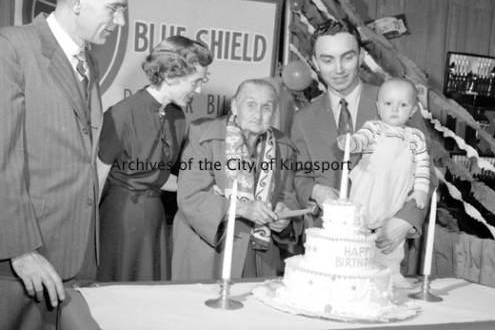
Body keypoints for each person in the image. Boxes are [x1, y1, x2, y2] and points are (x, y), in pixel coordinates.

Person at [0, 0, 128, 330]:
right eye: (114, 8)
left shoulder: (89, 61)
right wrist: (21, 251)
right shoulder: (11, 48)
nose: (120, 21)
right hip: (25, 264)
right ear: (77, 1)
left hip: (75, 259)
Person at [291, 18, 434, 265]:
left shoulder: (396, 101)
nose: (338, 69)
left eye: (347, 57)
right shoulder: (302, 120)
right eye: (327, 60)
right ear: (314, 62)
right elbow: (298, 176)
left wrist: (405, 221)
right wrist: (315, 190)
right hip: (326, 246)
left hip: (386, 241)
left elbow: (426, 171)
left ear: (360, 56)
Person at [96, 36, 213, 282]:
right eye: (195, 81)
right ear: (170, 76)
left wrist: (206, 189)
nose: (199, 90)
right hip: (120, 220)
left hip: (154, 216)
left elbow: (157, 177)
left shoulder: (177, 116)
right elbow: (95, 185)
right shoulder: (120, 116)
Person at [172, 79, 302, 281]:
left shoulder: (283, 146)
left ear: (274, 111)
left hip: (260, 256)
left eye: (266, 107)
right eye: (250, 105)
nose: (258, 115)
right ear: (234, 105)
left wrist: (285, 218)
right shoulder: (204, 137)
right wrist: (242, 208)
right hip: (211, 250)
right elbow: (190, 197)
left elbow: (287, 196)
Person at [337, 77, 430, 287]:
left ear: (413, 110)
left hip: (394, 200)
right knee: (357, 238)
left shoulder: (416, 138)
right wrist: (350, 143)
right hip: (366, 197)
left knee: (391, 245)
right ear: (378, 107)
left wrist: (421, 190)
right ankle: (353, 273)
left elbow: (423, 165)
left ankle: (391, 273)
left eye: (403, 105)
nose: (395, 109)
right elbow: (361, 140)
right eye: (388, 103)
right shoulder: (374, 128)